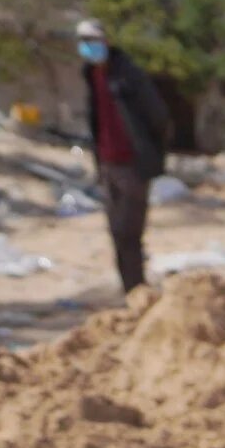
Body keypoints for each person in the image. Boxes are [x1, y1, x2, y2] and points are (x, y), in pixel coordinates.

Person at [77, 19, 170, 293]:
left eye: (93, 41)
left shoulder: (128, 75)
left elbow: (158, 117)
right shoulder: (91, 75)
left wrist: (149, 154)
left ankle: (137, 290)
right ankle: (129, 289)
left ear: (106, 41)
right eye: (84, 41)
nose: (89, 47)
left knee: (130, 233)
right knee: (117, 232)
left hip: (132, 165)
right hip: (108, 165)